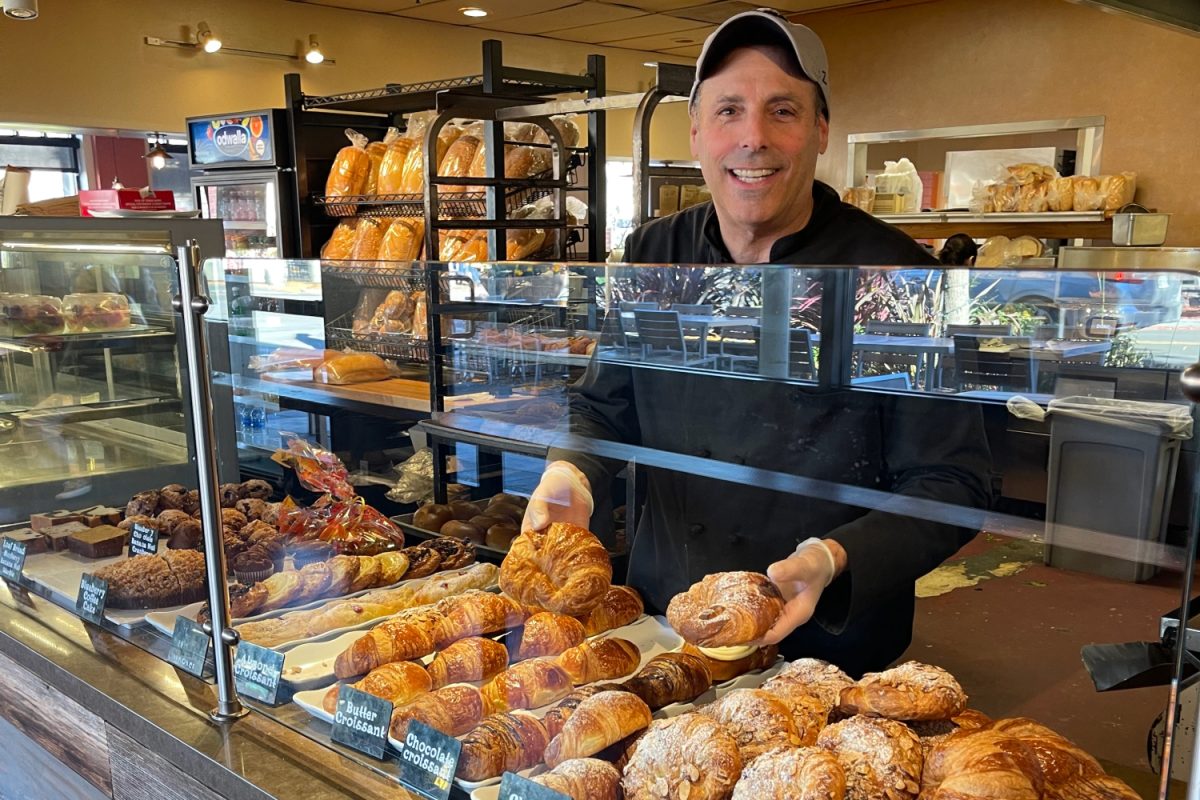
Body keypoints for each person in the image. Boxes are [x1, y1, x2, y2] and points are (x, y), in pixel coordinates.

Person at [521, 9, 992, 676]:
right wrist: (572, 472)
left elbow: (954, 482)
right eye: (729, 111)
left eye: (783, 111)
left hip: (827, 647)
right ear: (696, 133)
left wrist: (831, 558)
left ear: (821, 130)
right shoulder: (656, 254)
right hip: (668, 626)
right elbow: (602, 407)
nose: (753, 138)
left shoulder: (892, 276)